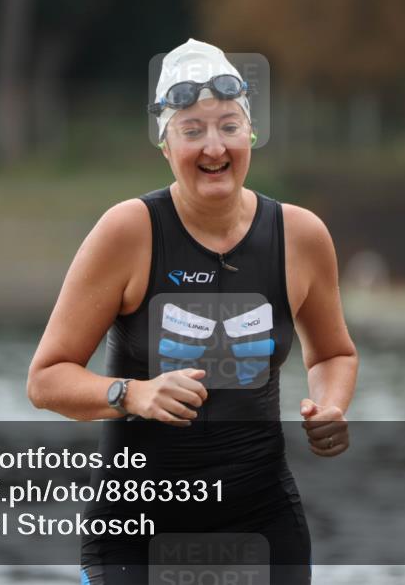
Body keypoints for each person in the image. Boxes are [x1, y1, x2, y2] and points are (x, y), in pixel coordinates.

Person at [27, 38, 358, 584]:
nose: (214, 146)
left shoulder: (300, 235)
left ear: (250, 134)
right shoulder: (128, 231)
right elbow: (45, 379)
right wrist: (133, 394)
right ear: (165, 145)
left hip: (262, 522)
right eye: (192, 130)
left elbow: (333, 354)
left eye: (229, 125)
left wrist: (331, 407)